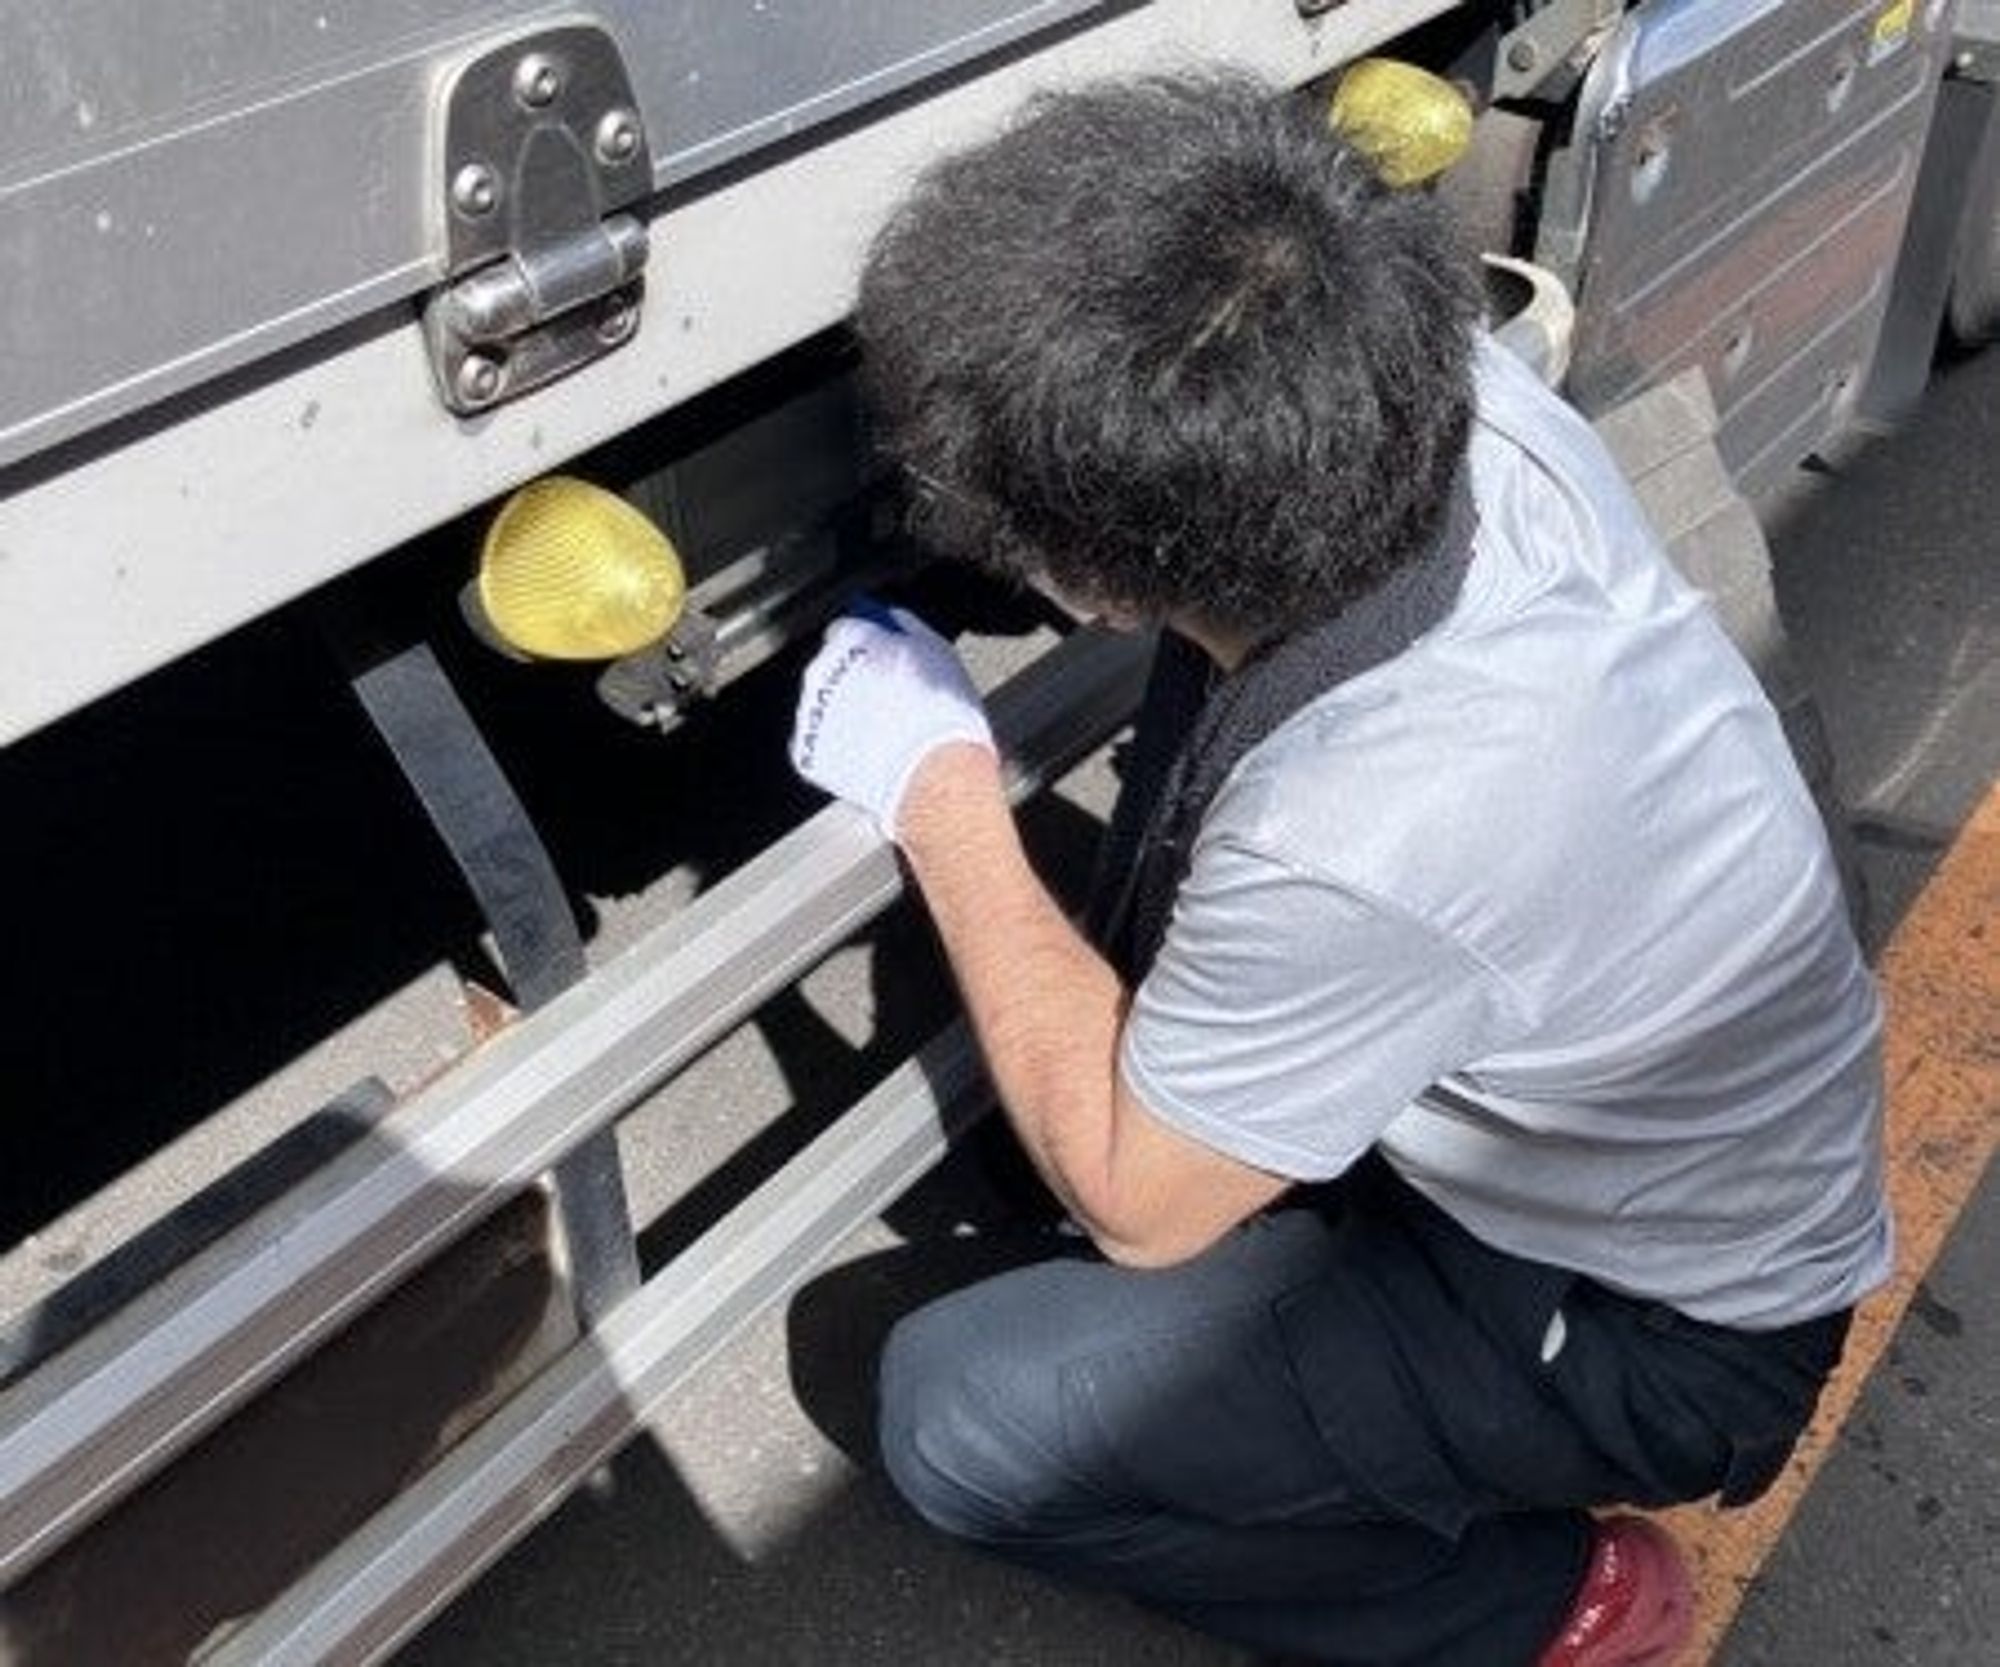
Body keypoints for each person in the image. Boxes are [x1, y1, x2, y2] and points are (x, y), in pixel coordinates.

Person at [787, 72, 1890, 1666]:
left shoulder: (1369, 827)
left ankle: (1544, 1609)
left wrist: (942, 791)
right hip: (1647, 1135)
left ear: (1088, 586)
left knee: (959, 1416)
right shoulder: (1453, 407)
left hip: (1660, 1330)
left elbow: (1137, 1204)